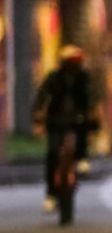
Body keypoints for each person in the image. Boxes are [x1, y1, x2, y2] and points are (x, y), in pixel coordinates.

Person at [32, 45, 91, 213]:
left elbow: (90, 98)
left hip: (76, 120)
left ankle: (83, 158)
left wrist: (92, 114)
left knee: (81, 132)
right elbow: (42, 94)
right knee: (52, 154)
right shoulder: (54, 77)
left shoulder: (83, 77)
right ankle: (51, 194)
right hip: (55, 121)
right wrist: (38, 113)